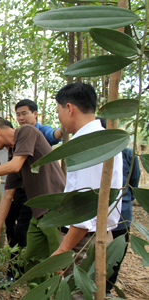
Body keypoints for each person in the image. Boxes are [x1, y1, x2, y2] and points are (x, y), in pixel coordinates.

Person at [0, 116, 66, 284]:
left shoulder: (26, 131)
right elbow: (8, 195)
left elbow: (16, 165)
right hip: (38, 214)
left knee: (59, 264)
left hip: (55, 208)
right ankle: (40, 295)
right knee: (31, 260)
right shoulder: (13, 154)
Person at [51, 82, 123, 299]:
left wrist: (64, 249)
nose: (59, 118)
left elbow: (85, 208)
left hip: (84, 240)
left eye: (59, 111)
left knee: (76, 294)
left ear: (70, 108)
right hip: (94, 235)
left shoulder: (87, 144)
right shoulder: (106, 138)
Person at [2, 99, 65, 282]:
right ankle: (27, 274)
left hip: (43, 193)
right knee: (15, 230)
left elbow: (56, 135)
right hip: (25, 190)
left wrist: (65, 125)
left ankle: (52, 278)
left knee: (32, 234)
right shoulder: (18, 137)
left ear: (35, 114)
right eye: (18, 114)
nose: (21, 117)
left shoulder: (37, 130)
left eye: (25, 113)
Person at [106, 147, 140, 297]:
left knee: (117, 254)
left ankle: (106, 289)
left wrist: (125, 200)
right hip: (94, 215)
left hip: (121, 214)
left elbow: (134, 181)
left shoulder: (127, 154)